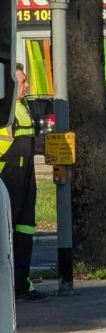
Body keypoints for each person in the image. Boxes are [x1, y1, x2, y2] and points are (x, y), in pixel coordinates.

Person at [0, 65, 38, 300]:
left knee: (25, 226)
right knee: (7, 228)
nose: (26, 85)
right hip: (9, 171)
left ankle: (21, 282)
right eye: (22, 81)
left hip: (25, 169)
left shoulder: (22, 106)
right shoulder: (4, 109)